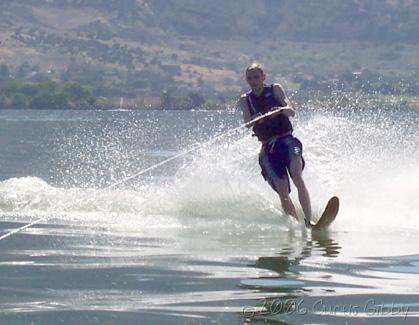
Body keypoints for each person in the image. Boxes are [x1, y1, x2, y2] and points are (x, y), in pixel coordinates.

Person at [238, 63, 313, 227]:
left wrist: (280, 110)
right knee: (282, 190)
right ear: (246, 80)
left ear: (263, 77)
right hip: (268, 150)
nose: (253, 81)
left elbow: (291, 110)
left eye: (256, 77)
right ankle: (295, 224)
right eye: (250, 78)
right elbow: (247, 124)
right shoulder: (245, 100)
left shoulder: (275, 89)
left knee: (297, 176)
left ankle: (309, 221)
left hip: (287, 142)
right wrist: (255, 118)